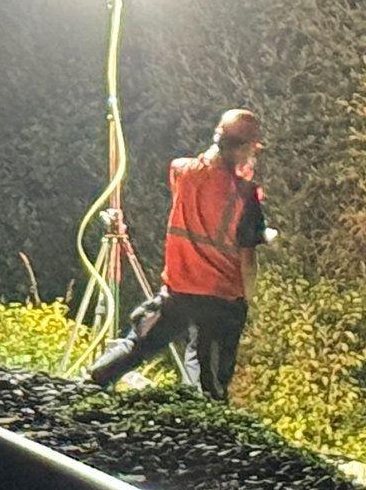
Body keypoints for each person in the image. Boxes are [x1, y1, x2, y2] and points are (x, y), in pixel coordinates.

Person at [88, 108, 271, 398]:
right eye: (252, 148)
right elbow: (247, 256)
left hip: (179, 287)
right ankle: (208, 419)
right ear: (245, 147)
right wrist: (249, 298)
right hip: (221, 296)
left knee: (140, 342)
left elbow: (200, 179)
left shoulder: (183, 172)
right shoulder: (245, 194)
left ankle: (94, 381)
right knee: (209, 375)